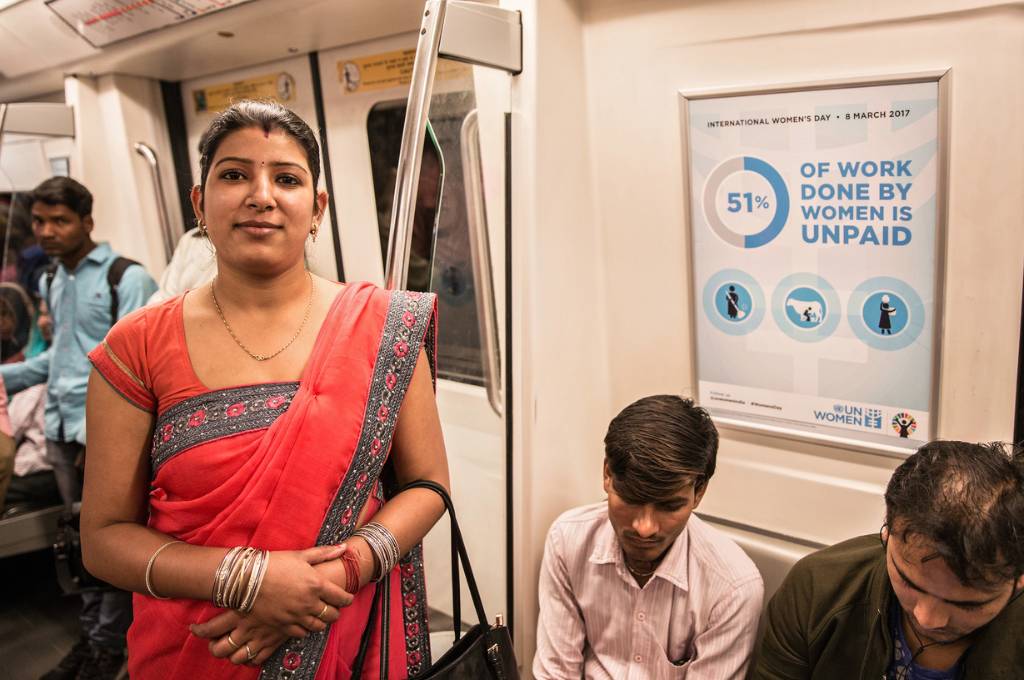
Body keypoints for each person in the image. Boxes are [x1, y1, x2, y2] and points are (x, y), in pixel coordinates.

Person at [80, 99, 449, 679]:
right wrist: (250, 580)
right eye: (234, 175)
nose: (261, 195)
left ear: (317, 206)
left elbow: (427, 486)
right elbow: (103, 540)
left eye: (286, 178)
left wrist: (330, 578)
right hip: (197, 646)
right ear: (200, 203)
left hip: (344, 629)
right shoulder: (136, 347)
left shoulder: (384, 325)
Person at [0, 177, 157, 680]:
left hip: (104, 435)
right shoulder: (53, 280)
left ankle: (113, 647)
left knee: (113, 541)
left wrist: (108, 440)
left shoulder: (125, 278)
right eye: (41, 221)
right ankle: (98, 640)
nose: (47, 231)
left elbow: (142, 371)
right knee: (82, 542)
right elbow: (58, 364)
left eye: (60, 221)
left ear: (87, 223)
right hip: (61, 428)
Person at [749, 440, 1024, 680]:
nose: (927, 619)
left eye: (965, 604)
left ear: (1018, 580)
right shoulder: (817, 590)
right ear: (887, 536)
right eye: (909, 583)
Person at [534, 395, 764, 679]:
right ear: (607, 474)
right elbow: (556, 672)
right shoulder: (568, 541)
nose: (644, 528)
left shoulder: (732, 586)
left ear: (699, 492)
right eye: (631, 499)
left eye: (669, 507)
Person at [0, 283, 58, 515]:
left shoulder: (43, 370)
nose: (43, 321)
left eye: (48, 314)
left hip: (37, 464)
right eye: (40, 314)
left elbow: (13, 428)